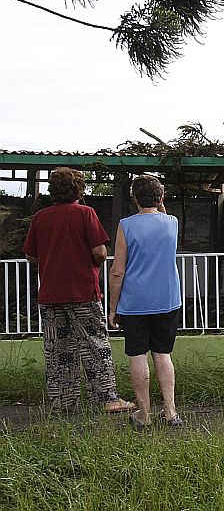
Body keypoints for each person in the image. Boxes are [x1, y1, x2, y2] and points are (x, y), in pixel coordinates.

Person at [22, 167, 136, 414]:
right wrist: (93, 263)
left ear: (53, 190)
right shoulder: (86, 213)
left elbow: (31, 255)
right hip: (83, 292)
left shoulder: (41, 217)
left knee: (57, 349)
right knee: (95, 344)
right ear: (79, 190)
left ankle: (63, 402)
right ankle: (106, 399)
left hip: (51, 294)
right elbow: (99, 251)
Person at [107, 174, 184, 429]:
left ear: (135, 199)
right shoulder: (171, 222)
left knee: (138, 355)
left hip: (135, 302)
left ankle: (144, 414)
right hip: (167, 298)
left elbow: (118, 270)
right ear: (161, 198)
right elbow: (162, 214)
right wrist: (160, 202)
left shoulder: (126, 225)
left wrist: (113, 307)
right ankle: (170, 412)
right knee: (163, 354)